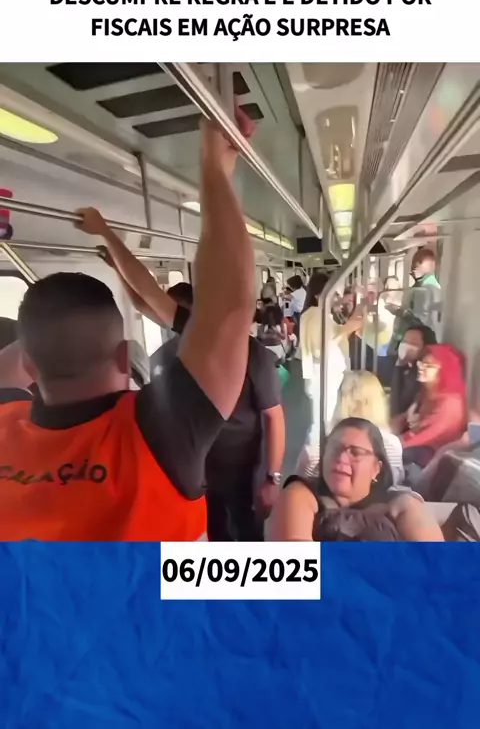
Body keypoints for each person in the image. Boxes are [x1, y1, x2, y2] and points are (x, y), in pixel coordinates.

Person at [0, 109, 257, 541]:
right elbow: (225, 304)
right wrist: (215, 166)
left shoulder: (6, 421)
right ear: (124, 356)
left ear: (29, 362)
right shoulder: (156, 434)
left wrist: (213, 165)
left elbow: (199, 301)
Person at [130, 279, 286, 541]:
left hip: (243, 465)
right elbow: (141, 302)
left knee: (248, 531)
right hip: (196, 468)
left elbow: (274, 417)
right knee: (213, 530)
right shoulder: (168, 358)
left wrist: (272, 477)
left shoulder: (249, 353)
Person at [271, 417, 444, 541]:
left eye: (355, 452)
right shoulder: (300, 494)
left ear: (376, 468)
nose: (341, 458)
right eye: (334, 448)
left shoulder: (402, 504)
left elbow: (436, 564)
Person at [295, 272, 363, 477]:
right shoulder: (316, 315)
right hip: (324, 377)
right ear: (319, 295)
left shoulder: (317, 313)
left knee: (322, 422)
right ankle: (308, 471)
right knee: (321, 425)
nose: (337, 298)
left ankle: (315, 466)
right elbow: (321, 347)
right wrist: (347, 329)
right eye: (333, 294)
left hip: (325, 375)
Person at [400, 343, 467, 470]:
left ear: (444, 370)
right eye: (421, 363)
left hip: (432, 459)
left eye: (428, 365)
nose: (421, 367)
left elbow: (427, 436)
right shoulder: (427, 392)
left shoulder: (450, 403)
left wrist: (392, 446)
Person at [390, 248, 442, 350]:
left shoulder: (421, 289)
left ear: (417, 265)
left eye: (413, 267)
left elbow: (418, 320)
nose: (412, 271)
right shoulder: (435, 287)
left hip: (412, 343)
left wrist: (400, 312)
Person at [390, 323, 437, 429]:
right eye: (405, 341)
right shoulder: (406, 367)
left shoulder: (423, 374)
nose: (406, 345)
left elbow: (398, 405)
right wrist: (399, 365)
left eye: (413, 343)